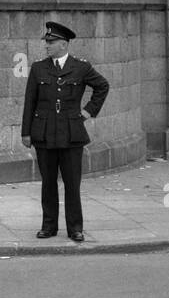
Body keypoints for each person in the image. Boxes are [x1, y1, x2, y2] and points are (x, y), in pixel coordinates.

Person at [21, 21, 110, 242]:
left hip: (71, 133)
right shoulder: (39, 68)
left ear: (63, 44)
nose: (47, 46)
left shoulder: (81, 67)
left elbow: (102, 86)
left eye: (51, 42)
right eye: (46, 42)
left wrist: (88, 112)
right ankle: (48, 226)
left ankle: (75, 228)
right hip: (44, 133)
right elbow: (29, 101)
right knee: (48, 183)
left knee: (72, 183)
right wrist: (26, 132)